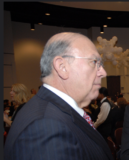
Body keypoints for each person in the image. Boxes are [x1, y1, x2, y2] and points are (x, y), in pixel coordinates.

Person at [4, 32, 113, 160]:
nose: (103, 73)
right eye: (94, 62)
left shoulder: (54, 112)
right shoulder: (45, 126)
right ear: (62, 67)